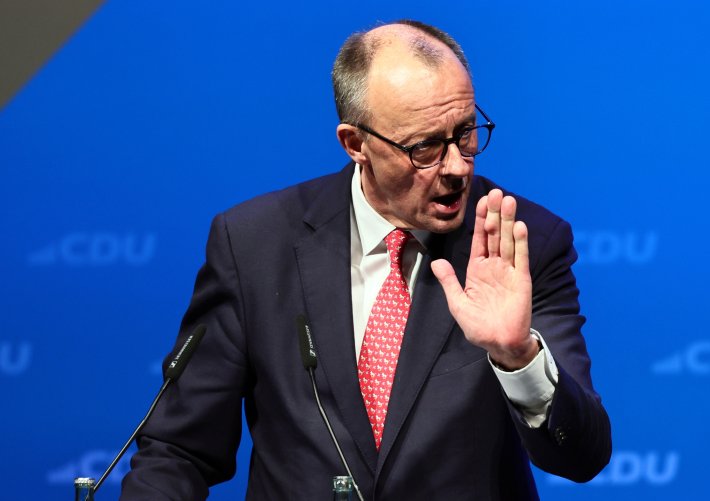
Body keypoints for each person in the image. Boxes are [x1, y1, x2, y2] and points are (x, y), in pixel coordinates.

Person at [121, 19, 611, 500]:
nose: (457, 167)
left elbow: (582, 456)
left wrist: (518, 356)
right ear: (356, 144)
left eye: (465, 132)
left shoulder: (524, 244)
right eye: (425, 147)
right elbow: (179, 450)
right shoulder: (254, 245)